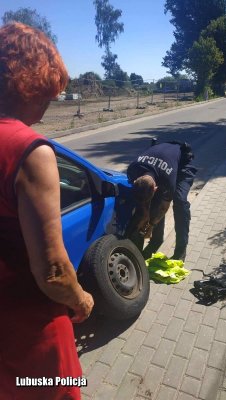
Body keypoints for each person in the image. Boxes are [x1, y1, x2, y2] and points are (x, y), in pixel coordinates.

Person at [0, 22, 94, 400]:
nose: (44, 109)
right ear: (28, 85)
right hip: (29, 330)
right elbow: (54, 272)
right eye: (46, 96)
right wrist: (82, 298)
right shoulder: (30, 150)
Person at [127, 140, 197, 261]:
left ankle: (181, 249)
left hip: (181, 166)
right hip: (161, 166)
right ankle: (156, 242)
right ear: (135, 180)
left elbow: (164, 207)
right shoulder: (133, 169)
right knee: (146, 203)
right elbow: (141, 199)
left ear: (155, 188)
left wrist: (151, 225)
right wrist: (144, 214)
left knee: (180, 202)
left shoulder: (168, 180)